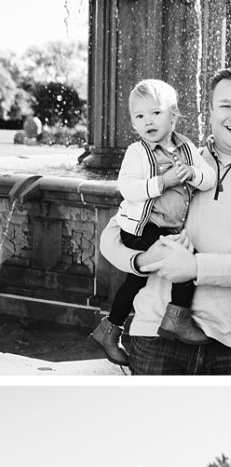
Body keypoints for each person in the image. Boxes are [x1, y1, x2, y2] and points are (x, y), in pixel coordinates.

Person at [99, 67, 231, 375]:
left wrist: (195, 268)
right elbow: (112, 236)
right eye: (226, 106)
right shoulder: (175, 161)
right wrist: (140, 260)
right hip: (154, 336)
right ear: (210, 111)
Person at [90, 79, 217, 367]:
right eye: (140, 116)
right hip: (141, 227)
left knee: (136, 278)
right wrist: (163, 182)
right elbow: (128, 188)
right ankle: (177, 318)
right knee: (183, 260)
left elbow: (209, 179)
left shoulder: (187, 148)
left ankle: (109, 329)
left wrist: (193, 174)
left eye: (155, 113)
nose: (148, 121)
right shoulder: (137, 153)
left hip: (167, 228)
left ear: (173, 115)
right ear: (134, 124)